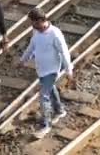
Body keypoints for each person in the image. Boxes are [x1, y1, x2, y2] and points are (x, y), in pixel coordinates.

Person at [20, 8, 73, 139]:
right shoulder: (36, 31)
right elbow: (32, 46)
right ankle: (60, 110)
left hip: (52, 69)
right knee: (51, 88)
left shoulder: (55, 34)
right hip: (41, 69)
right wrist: (23, 59)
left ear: (40, 21)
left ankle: (46, 125)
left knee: (44, 95)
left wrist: (68, 69)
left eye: (34, 23)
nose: (32, 26)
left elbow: (64, 51)